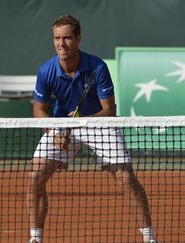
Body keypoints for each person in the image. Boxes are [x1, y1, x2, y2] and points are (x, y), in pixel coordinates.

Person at [27, 14, 157, 243]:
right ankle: (35, 239)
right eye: (57, 38)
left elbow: (109, 110)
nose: (61, 44)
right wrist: (52, 132)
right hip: (60, 126)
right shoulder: (45, 71)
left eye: (67, 38)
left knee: (126, 177)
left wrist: (82, 121)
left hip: (99, 124)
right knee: (34, 176)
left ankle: (149, 238)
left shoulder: (97, 67)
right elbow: (39, 109)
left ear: (78, 39)